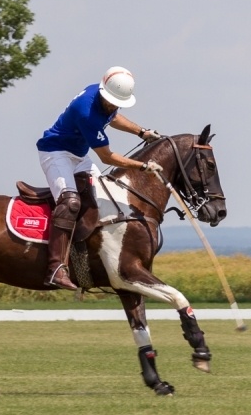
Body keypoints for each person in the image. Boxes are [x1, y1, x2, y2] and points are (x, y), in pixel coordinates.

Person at [36, 66, 163, 290]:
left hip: (78, 154)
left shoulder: (101, 94)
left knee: (106, 194)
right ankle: (56, 268)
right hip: (55, 153)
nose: (113, 105)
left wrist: (141, 132)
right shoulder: (87, 113)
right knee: (70, 202)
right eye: (112, 101)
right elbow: (107, 157)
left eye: (117, 102)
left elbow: (112, 117)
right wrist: (142, 166)